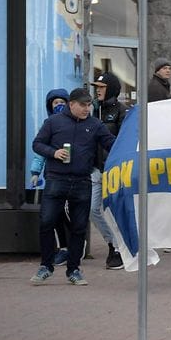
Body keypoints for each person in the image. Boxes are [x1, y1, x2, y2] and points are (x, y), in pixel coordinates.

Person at [30, 88, 116, 285]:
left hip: (82, 181)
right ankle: (46, 265)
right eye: (83, 105)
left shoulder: (95, 125)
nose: (87, 109)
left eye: (89, 105)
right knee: (47, 222)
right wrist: (53, 153)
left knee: (79, 228)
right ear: (72, 104)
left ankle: (74, 270)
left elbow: (111, 143)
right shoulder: (53, 122)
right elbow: (37, 144)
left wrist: (132, 144)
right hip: (56, 179)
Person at [89, 72, 128, 270]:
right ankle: (113, 243)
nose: (98, 90)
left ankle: (120, 250)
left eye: (102, 87)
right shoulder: (92, 111)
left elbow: (124, 142)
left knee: (114, 212)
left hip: (114, 170)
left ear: (111, 88)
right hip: (95, 169)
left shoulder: (121, 111)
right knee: (93, 210)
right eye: (96, 87)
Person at [30, 90, 73, 267]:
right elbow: (40, 151)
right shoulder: (48, 124)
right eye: (55, 103)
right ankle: (64, 247)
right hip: (53, 176)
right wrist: (35, 172)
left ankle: (74, 245)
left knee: (70, 213)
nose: (59, 105)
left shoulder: (76, 123)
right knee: (55, 215)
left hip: (73, 177)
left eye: (62, 102)